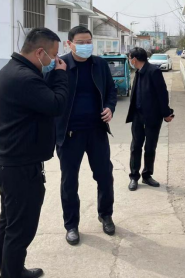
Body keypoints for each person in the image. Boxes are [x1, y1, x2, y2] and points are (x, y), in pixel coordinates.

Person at [0, 28, 68, 278]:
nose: (55, 60)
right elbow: (56, 104)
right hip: (19, 167)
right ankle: (11, 274)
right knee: (20, 228)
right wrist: (60, 75)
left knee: (10, 222)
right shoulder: (24, 78)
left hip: (11, 162)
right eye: (53, 56)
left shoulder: (13, 70)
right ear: (40, 52)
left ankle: (11, 270)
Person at [47, 26, 118, 246]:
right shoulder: (59, 65)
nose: (86, 45)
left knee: (104, 176)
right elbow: (47, 95)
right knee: (69, 181)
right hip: (69, 134)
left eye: (89, 41)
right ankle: (71, 225)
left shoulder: (100, 64)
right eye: (80, 42)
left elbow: (111, 91)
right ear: (69, 43)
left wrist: (110, 107)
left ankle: (105, 215)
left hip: (97, 131)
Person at [126, 47, 174, 191]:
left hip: (152, 117)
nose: (129, 60)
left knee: (150, 147)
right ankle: (134, 177)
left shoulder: (154, 71)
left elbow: (162, 94)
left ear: (134, 59)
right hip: (138, 116)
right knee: (135, 146)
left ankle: (147, 175)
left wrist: (166, 113)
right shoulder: (138, 72)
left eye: (130, 58)